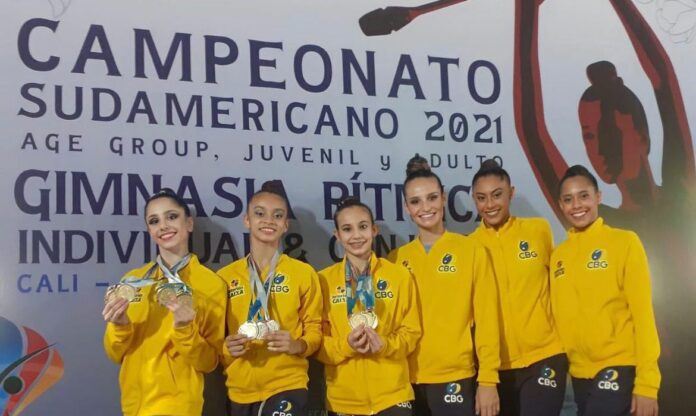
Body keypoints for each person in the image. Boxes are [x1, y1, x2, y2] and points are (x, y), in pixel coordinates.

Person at [388, 155, 500, 416]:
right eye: (415, 201)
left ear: (443, 198)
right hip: (404, 382)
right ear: (406, 207)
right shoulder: (396, 259)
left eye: (432, 198)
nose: (425, 207)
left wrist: (488, 379)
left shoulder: (471, 250)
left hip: (455, 377)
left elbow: (487, 319)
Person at [102, 188, 227, 416]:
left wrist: (184, 330)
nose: (163, 226)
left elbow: (208, 362)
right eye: (154, 221)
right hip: (133, 406)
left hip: (178, 406)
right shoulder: (132, 281)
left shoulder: (210, 285)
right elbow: (114, 354)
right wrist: (120, 326)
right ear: (150, 231)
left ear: (189, 223)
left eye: (171, 216)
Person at [551, 165, 661, 416]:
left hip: (619, 364)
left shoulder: (624, 242)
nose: (577, 205)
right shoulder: (558, 256)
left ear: (598, 197)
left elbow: (643, 314)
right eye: (568, 199)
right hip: (579, 374)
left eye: (584, 196)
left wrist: (647, 383)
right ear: (560, 205)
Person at [469, 159, 567, 416]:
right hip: (497, 367)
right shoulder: (469, 247)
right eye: (481, 198)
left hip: (546, 355)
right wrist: (485, 375)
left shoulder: (538, 230)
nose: (490, 204)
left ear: (511, 193)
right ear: (474, 200)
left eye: (497, 195)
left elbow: (562, 285)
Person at [218, 180, 322, 416]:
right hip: (239, 391)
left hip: (288, 385)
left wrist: (297, 345)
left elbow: (315, 330)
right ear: (247, 220)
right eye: (259, 213)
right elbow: (214, 341)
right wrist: (227, 348)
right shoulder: (224, 278)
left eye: (277, 215)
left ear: (285, 225)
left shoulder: (303, 273)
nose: (268, 221)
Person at [317, 197, 421, 416]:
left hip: (393, 397)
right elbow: (317, 343)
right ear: (337, 235)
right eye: (347, 229)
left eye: (363, 227)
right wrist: (346, 345)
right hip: (344, 400)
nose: (356, 236)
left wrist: (385, 345)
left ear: (374, 230)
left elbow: (411, 333)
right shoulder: (323, 281)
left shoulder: (399, 276)